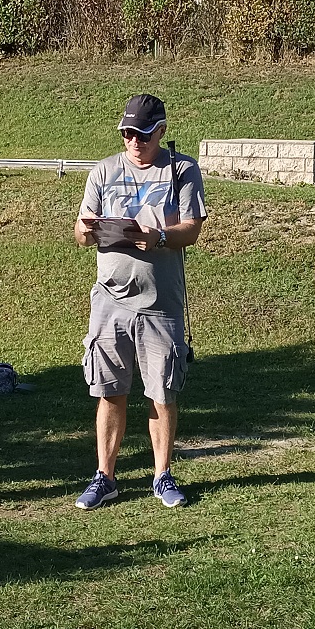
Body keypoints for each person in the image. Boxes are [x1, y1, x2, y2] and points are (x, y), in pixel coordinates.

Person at [74, 93, 206, 509]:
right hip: (109, 301)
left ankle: (162, 475)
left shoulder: (182, 169)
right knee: (109, 389)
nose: (134, 141)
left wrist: (160, 237)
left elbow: (192, 229)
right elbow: (79, 232)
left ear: (161, 131)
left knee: (162, 392)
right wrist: (87, 231)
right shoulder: (104, 170)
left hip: (160, 303)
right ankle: (105, 477)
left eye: (143, 134)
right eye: (127, 133)